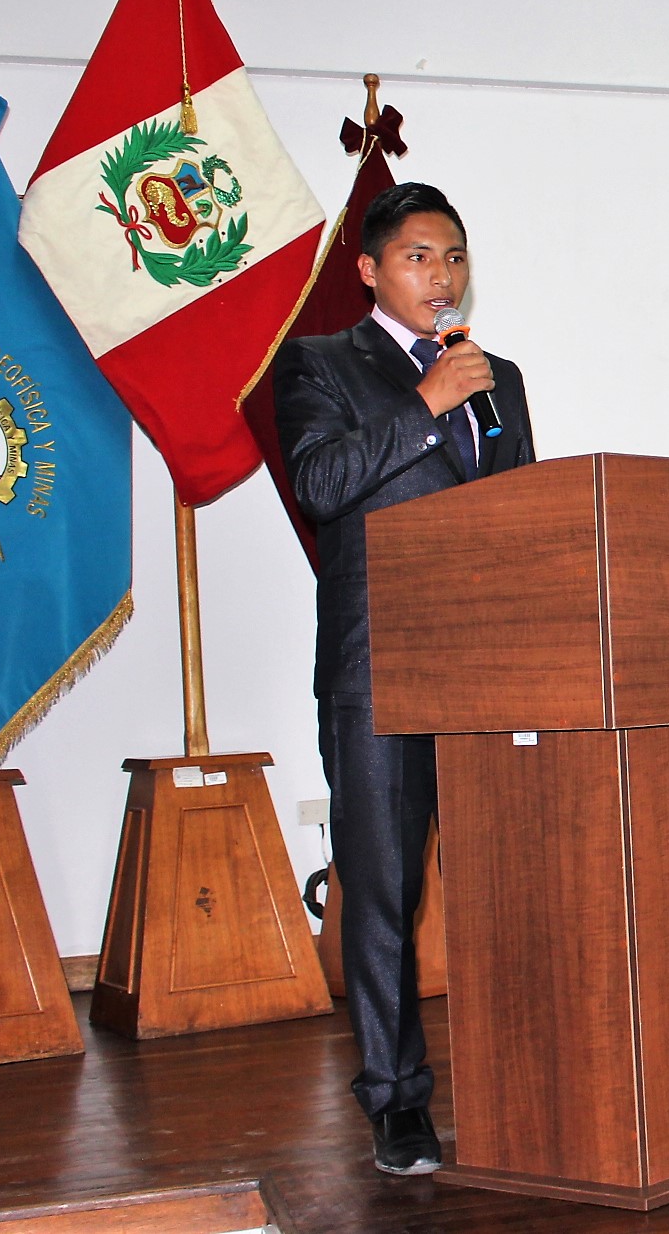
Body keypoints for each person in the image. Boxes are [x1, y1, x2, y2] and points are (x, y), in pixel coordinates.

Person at [274, 183, 537, 1177]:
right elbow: (321, 484)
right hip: (377, 667)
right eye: (420, 256)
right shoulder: (320, 363)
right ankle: (395, 1104)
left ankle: (522, 1077)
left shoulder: (499, 379)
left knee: (507, 879)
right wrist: (427, 407)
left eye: (455, 255)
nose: (443, 274)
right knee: (383, 887)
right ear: (370, 270)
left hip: (487, 673)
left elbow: (519, 511)